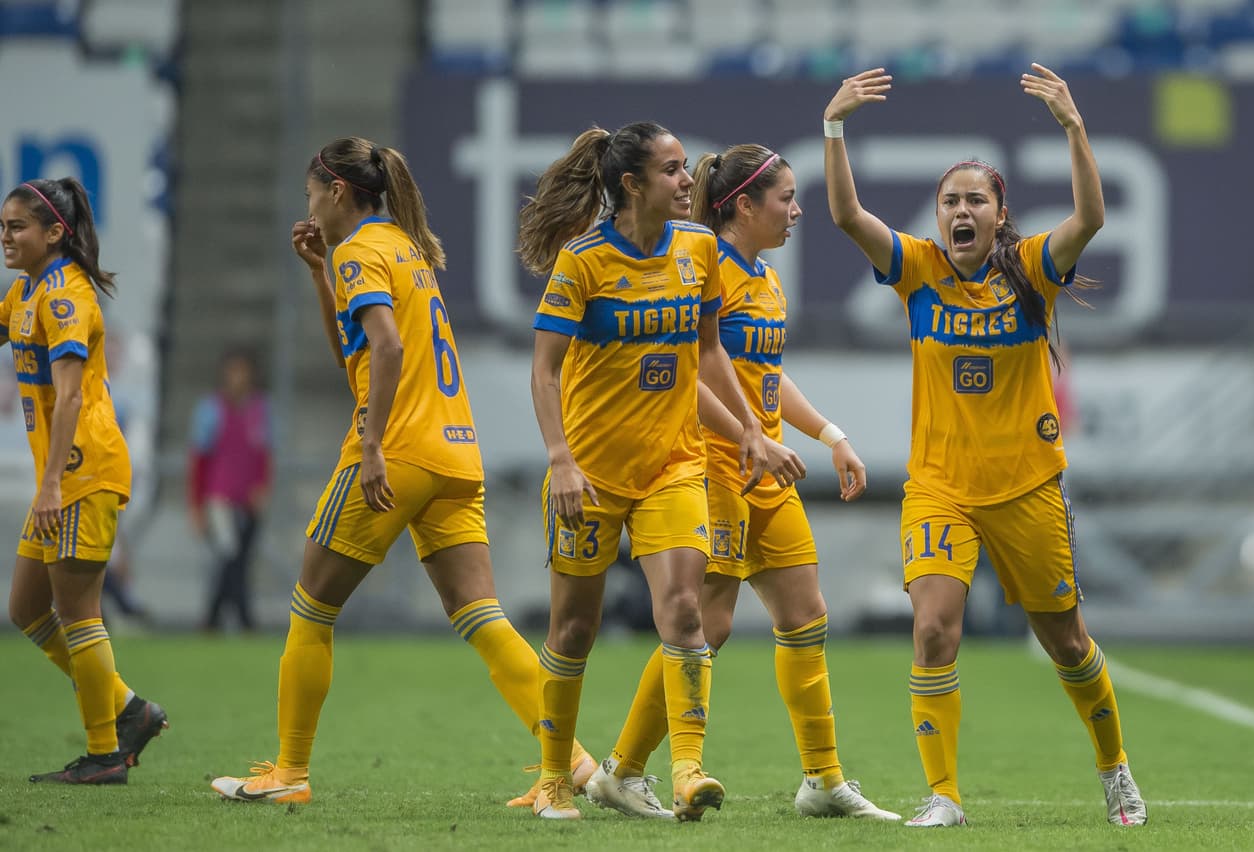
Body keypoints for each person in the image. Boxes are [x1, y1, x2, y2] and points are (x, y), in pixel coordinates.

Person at [210, 137, 594, 805]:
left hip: (401, 452)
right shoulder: (402, 250)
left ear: (335, 192)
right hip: (454, 452)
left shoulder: (361, 250)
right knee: (482, 616)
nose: (310, 210)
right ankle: (577, 768)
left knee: (311, 608)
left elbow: (383, 347)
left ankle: (290, 774)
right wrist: (317, 273)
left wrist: (369, 445)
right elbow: (353, 352)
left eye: (310, 196)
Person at [822, 66, 1147, 828]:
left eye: (975, 200)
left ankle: (1115, 768)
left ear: (1001, 216)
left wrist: (1073, 127)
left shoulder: (1032, 269)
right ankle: (945, 796)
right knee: (933, 628)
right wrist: (834, 127)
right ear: (937, 216)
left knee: (1067, 643)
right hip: (941, 488)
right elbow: (844, 214)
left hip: (1029, 488)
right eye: (950, 201)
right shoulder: (918, 271)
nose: (960, 211)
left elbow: (1092, 216)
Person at [582, 144, 901, 822]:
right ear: (745, 206)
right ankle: (628, 769)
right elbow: (691, 370)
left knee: (804, 615)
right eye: (785, 197)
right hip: (711, 468)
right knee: (708, 624)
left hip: (766, 470)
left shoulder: (764, 277)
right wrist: (748, 437)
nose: (796, 210)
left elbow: (764, 374)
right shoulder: (701, 267)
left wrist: (829, 435)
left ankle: (823, 781)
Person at [521, 122, 774, 821]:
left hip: (674, 465)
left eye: (686, 168)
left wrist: (748, 429)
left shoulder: (698, 248)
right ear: (631, 185)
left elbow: (708, 352)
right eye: (671, 170)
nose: (687, 180)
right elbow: (544, 373)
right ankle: (552, 779)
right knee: (573, 630)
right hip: (590, 476)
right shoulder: (583, 262)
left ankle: (685, 768)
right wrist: (561, 460)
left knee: (687, 612)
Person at [2, 177, 167, 784]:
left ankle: (105, 755)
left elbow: (69, 399)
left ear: (54, 233)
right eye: (2, 227)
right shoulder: (27, 291)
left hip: (82, 471)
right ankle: (128, 707)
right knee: (25, 607)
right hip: (62, 475)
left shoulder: (67, 298)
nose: (6, 237)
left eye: (18, 227)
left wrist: (48, 487)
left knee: (78, 612)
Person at [187, 346, 273, 633]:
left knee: (239, 560)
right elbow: (199, 461)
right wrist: (197, 505)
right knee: (230, 555)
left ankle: (212, 618)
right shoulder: (211, 410)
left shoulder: (260, 410)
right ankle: (243, 619)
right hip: (219, 497)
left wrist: (262, 488)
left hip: (248, 498)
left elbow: (264, 455)